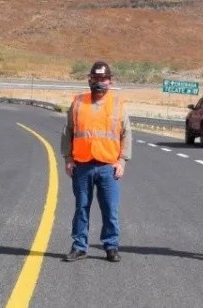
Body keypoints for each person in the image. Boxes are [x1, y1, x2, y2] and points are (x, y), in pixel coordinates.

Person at [60, 60, 133, 262]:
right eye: (96, 78)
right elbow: (68, 132)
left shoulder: (118, 104)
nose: (99, 82)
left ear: (110, 81)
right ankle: (79, 246)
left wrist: (122, 161)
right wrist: (68, 158)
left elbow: (126, 134)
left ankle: (111, 246)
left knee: (110, 209)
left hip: (108, 167)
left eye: (103, 79)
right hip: (82, 166)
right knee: (81, 207)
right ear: (90, 79)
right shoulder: (77, 103)